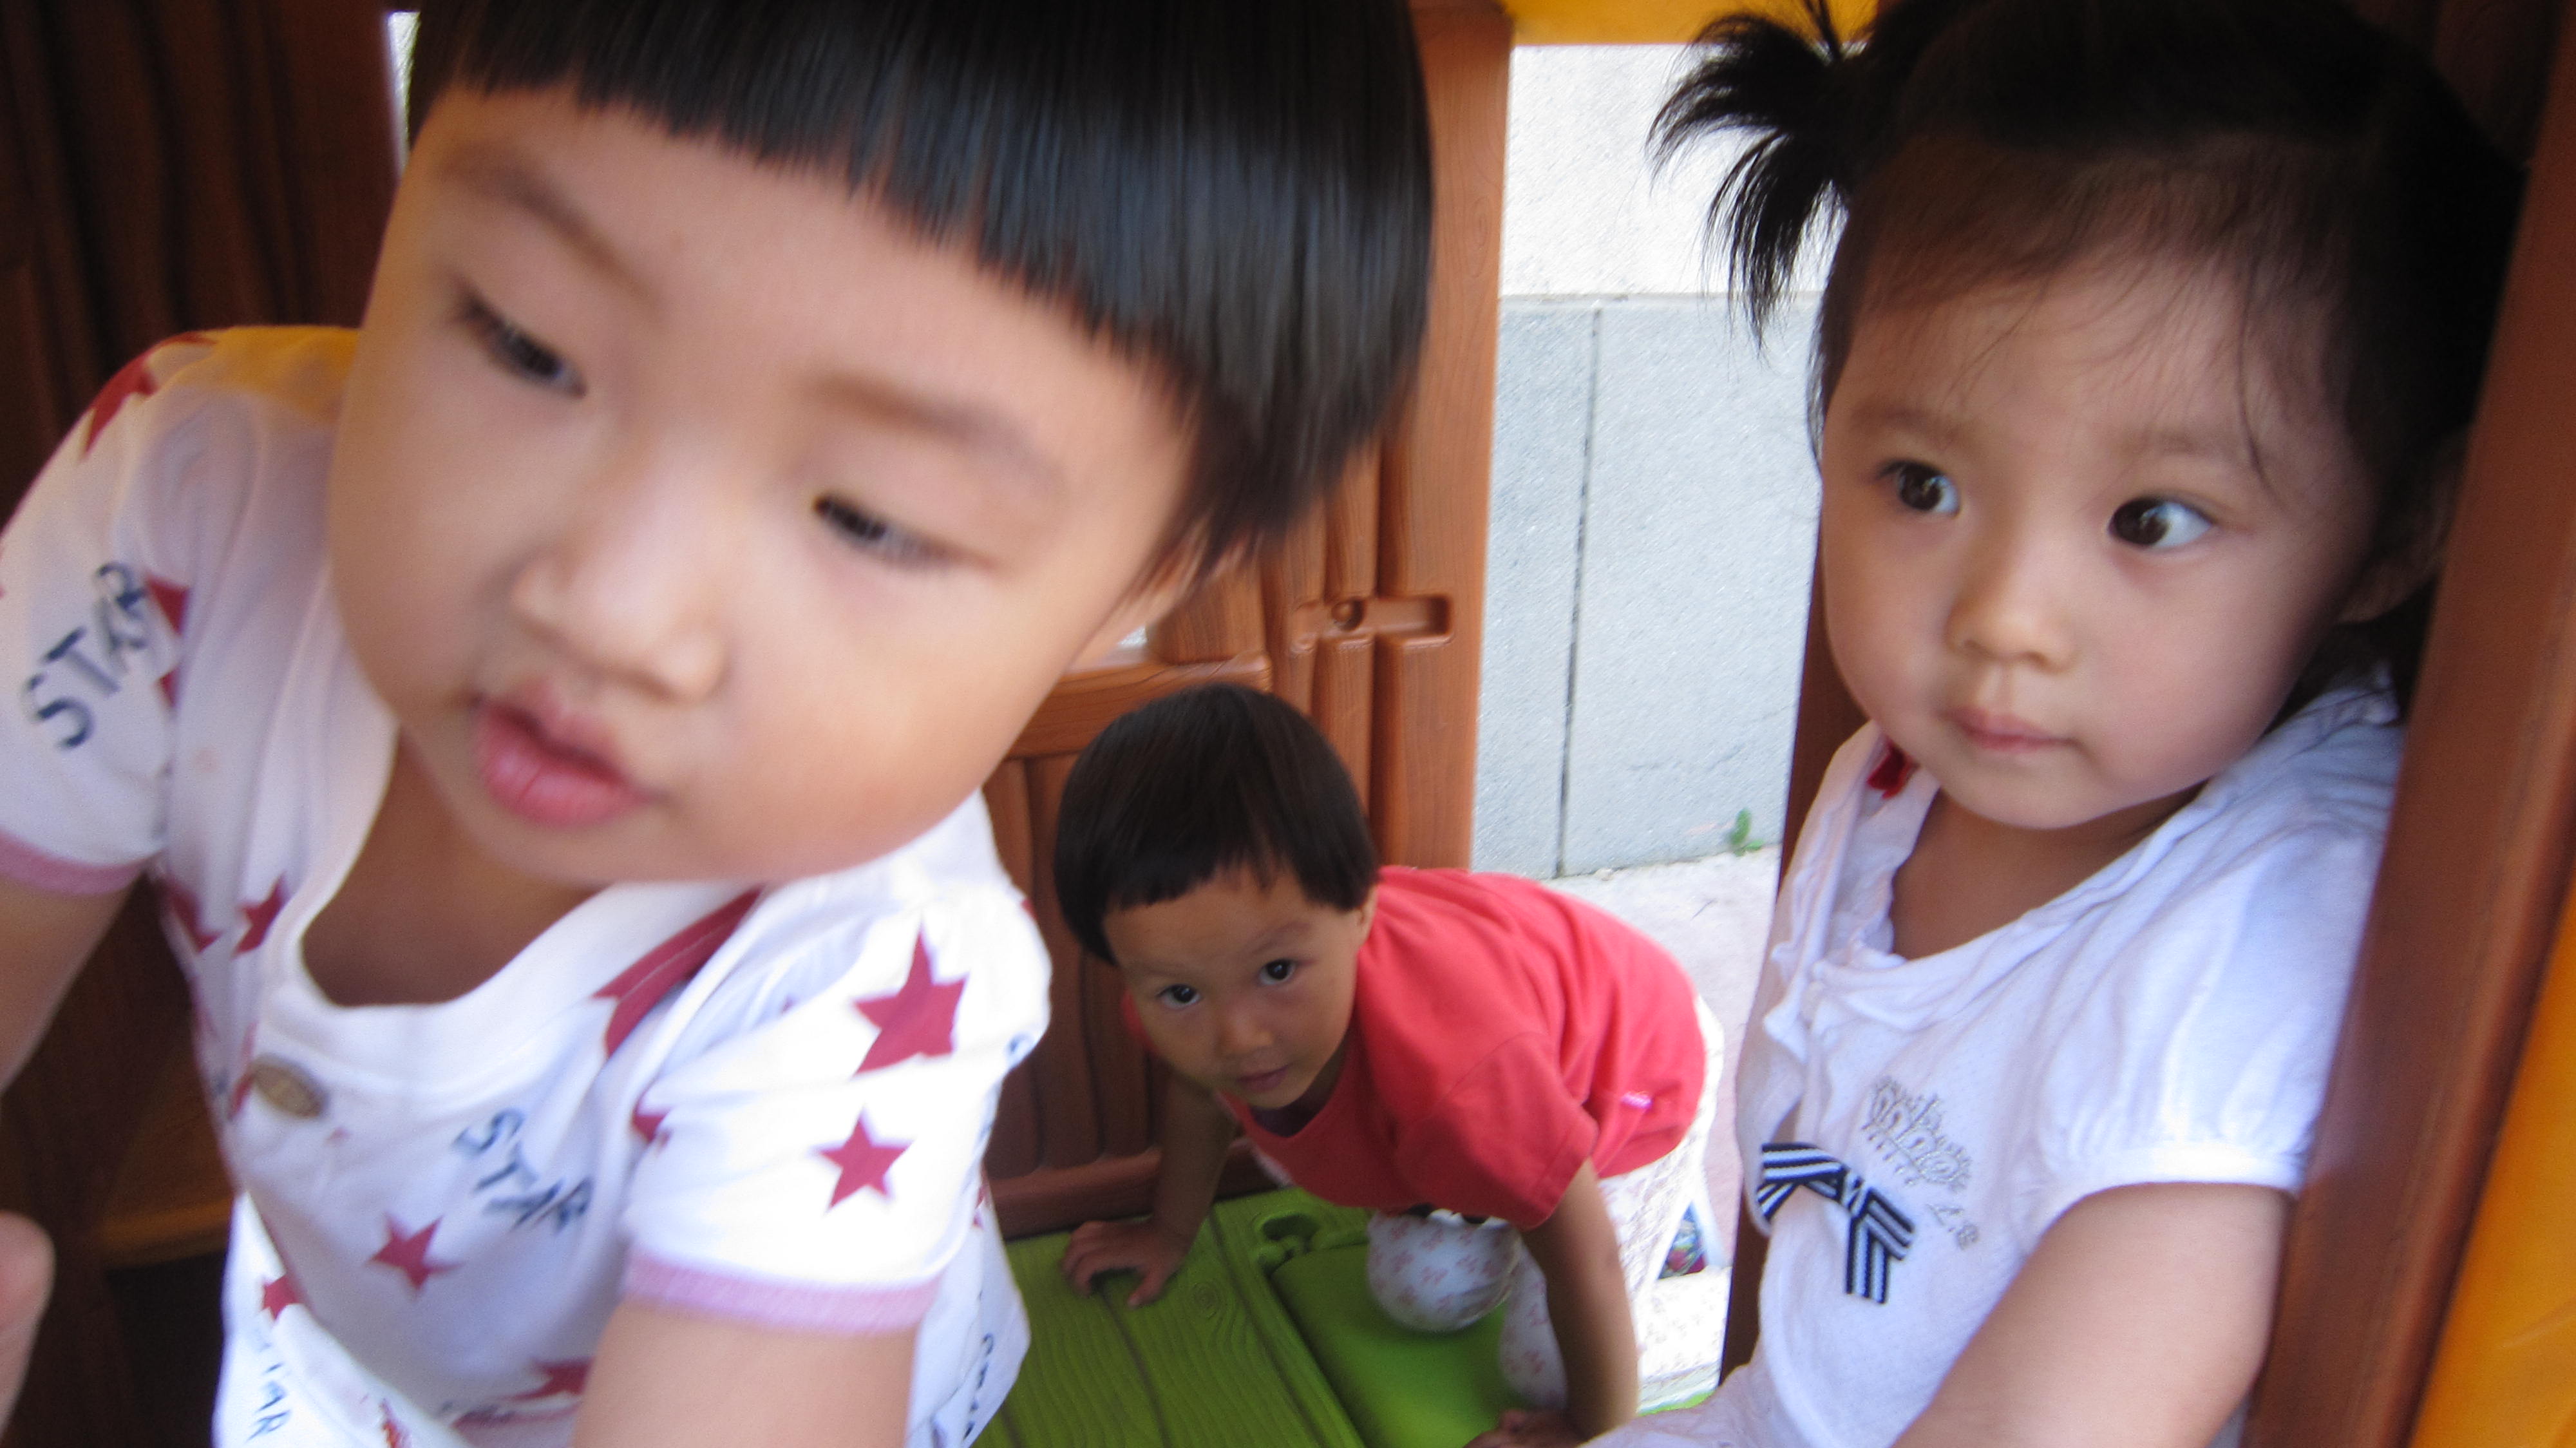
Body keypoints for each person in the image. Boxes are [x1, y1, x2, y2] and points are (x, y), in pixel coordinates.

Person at [0, 2, 1432, 1443]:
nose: (611, 608)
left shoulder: (867, 974)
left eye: (867, 515)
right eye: (526, 342)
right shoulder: (192, 509)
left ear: (1136, 587)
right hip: (335, 1366)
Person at [1586, 2, 2523, 1445]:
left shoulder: (2259, 933)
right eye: (1922, 484)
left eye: (2152, 519)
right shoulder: (1885, 781)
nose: (2003, 617)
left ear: (2397, 529)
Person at [1051, 683, 1729, 1446]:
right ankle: (1520, 1190)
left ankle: (1699, 1276)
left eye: (1277, 971)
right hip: (1522, 1097)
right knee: (1417, 1294)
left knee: (1545, 1370)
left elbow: (1588, 1261)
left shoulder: (1460, 1080)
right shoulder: (1183, 1004)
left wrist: (1592, 1430)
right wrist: (1170, 1232)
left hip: (1634, 1076)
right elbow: (1196, 1095)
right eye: (1181, 992)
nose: (1237, 1038)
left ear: (1360, 914)